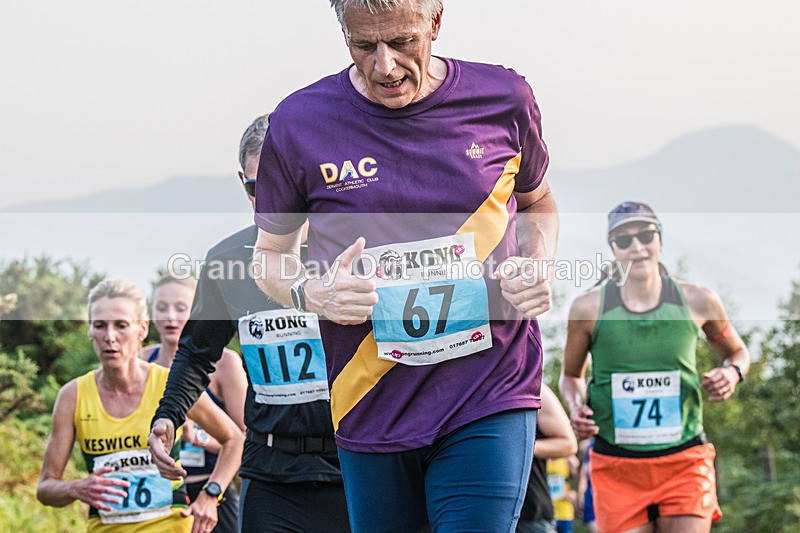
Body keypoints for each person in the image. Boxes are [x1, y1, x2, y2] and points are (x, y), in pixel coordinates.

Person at [252, 1, 558, 531]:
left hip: (488, 386)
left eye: (403, 43)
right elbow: (268, 258)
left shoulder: (503, 98)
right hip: (370, 396)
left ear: (435, 23)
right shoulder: (300, 122)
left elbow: (539, 204)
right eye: (364, 46)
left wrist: (538, 263)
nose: (385, 67)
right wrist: (310, 294)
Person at [150, 115, 351, 533]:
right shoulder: (228, 261)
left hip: (355, 466)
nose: (275, 199)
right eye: (260, 188)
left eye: (285, 183)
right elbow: (196, 352)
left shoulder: (351, 251)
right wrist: (167, 416)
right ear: (243, 183)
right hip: (271, 473)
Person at [560, 201, 751, 533]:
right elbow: (571, 376)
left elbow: (737, 352)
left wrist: (732, 374)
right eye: (624, 240)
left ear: (660, 239)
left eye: (645, 235)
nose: (637, 246)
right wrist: (576, 407)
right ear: (613, 249)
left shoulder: (699, 300)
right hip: (616, 464)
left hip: (684, 460)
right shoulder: (587, 308)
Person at [37, 279, 243, 533]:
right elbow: (45, 488)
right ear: (90, 331)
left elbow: (235, 439)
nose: (110, 337)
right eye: (100, 326)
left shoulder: (170, 384)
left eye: (121, 326)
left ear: (142, 329)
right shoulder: (72, 395)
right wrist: (76, 488)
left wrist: (211, 495)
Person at [143, 274, 247, 532]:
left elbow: (248, 442)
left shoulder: (226, 364)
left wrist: (196, 437)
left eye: (181, 308)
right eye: (162, 307)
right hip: (158, 498)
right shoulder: (143, 360)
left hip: (211, 493)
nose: (170, 316)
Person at [517, 384, 578, 533]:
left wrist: (519, 448)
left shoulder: (534, 387)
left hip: (531, 513)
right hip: (475, 511)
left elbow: (568, 444)